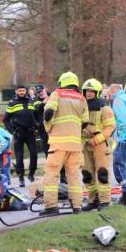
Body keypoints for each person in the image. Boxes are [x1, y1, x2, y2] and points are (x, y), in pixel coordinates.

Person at [42, 71, 89, 215]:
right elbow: (85, 122)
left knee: (52, 174)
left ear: (62, 82)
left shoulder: (57, 94)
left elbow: (49, 112)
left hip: (58, 144)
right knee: (74, 177)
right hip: (75, 146)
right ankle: (77, 207)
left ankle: (51, 207)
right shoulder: (82, 98)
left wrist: (48, 127)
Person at [80, 78, 116, 211]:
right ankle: (93, 201)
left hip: (100, 145)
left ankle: (105, 202)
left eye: (91, 91)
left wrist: (96, 139)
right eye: (87, 91)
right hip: (84, 144)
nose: (88, 93)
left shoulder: (104, 107)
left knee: (102, 173)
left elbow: (110, 127)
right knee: (87, 174)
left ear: (97, 92)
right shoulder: (81, 106)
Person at [3, 84, 39, 187]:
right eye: (20, 91)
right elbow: (5, 120)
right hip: (18, 134)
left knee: (34, 154)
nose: (22, 92)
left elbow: (35, 116)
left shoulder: (30, 101)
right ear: (16, 92)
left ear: (26, 91)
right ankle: (21, 177)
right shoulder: (12, 103)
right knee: (19, 157)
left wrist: (36, 127)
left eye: (23, 90)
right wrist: (12, 131)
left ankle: (31, 174)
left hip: (31, 133)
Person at [32, 84, 50, 154]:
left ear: (45, 89)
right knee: (46, 147)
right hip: (43, 128)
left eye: (41, 91)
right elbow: (37, 111)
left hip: (54, 127)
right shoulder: (36, 101)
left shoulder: (52, 97)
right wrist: (43, 103)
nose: (40, 93)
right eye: (38, 92)